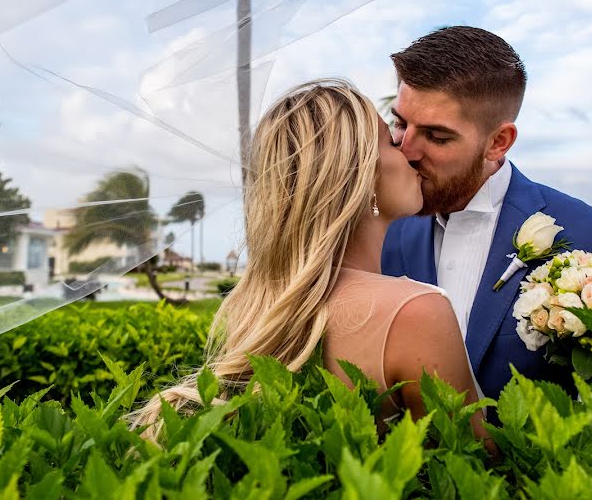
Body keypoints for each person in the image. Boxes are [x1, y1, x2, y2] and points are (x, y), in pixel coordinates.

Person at [129, 79, 490, 447]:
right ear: (361, 176)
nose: (409, 151)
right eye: (390, 141)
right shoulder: (414, 312)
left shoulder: (262, 306)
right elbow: (479, 472)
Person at [381, 26, 592, 405]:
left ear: (498, 142)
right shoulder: (382, 231)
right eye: (401, 123)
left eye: (437, 137)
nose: (406, 150)